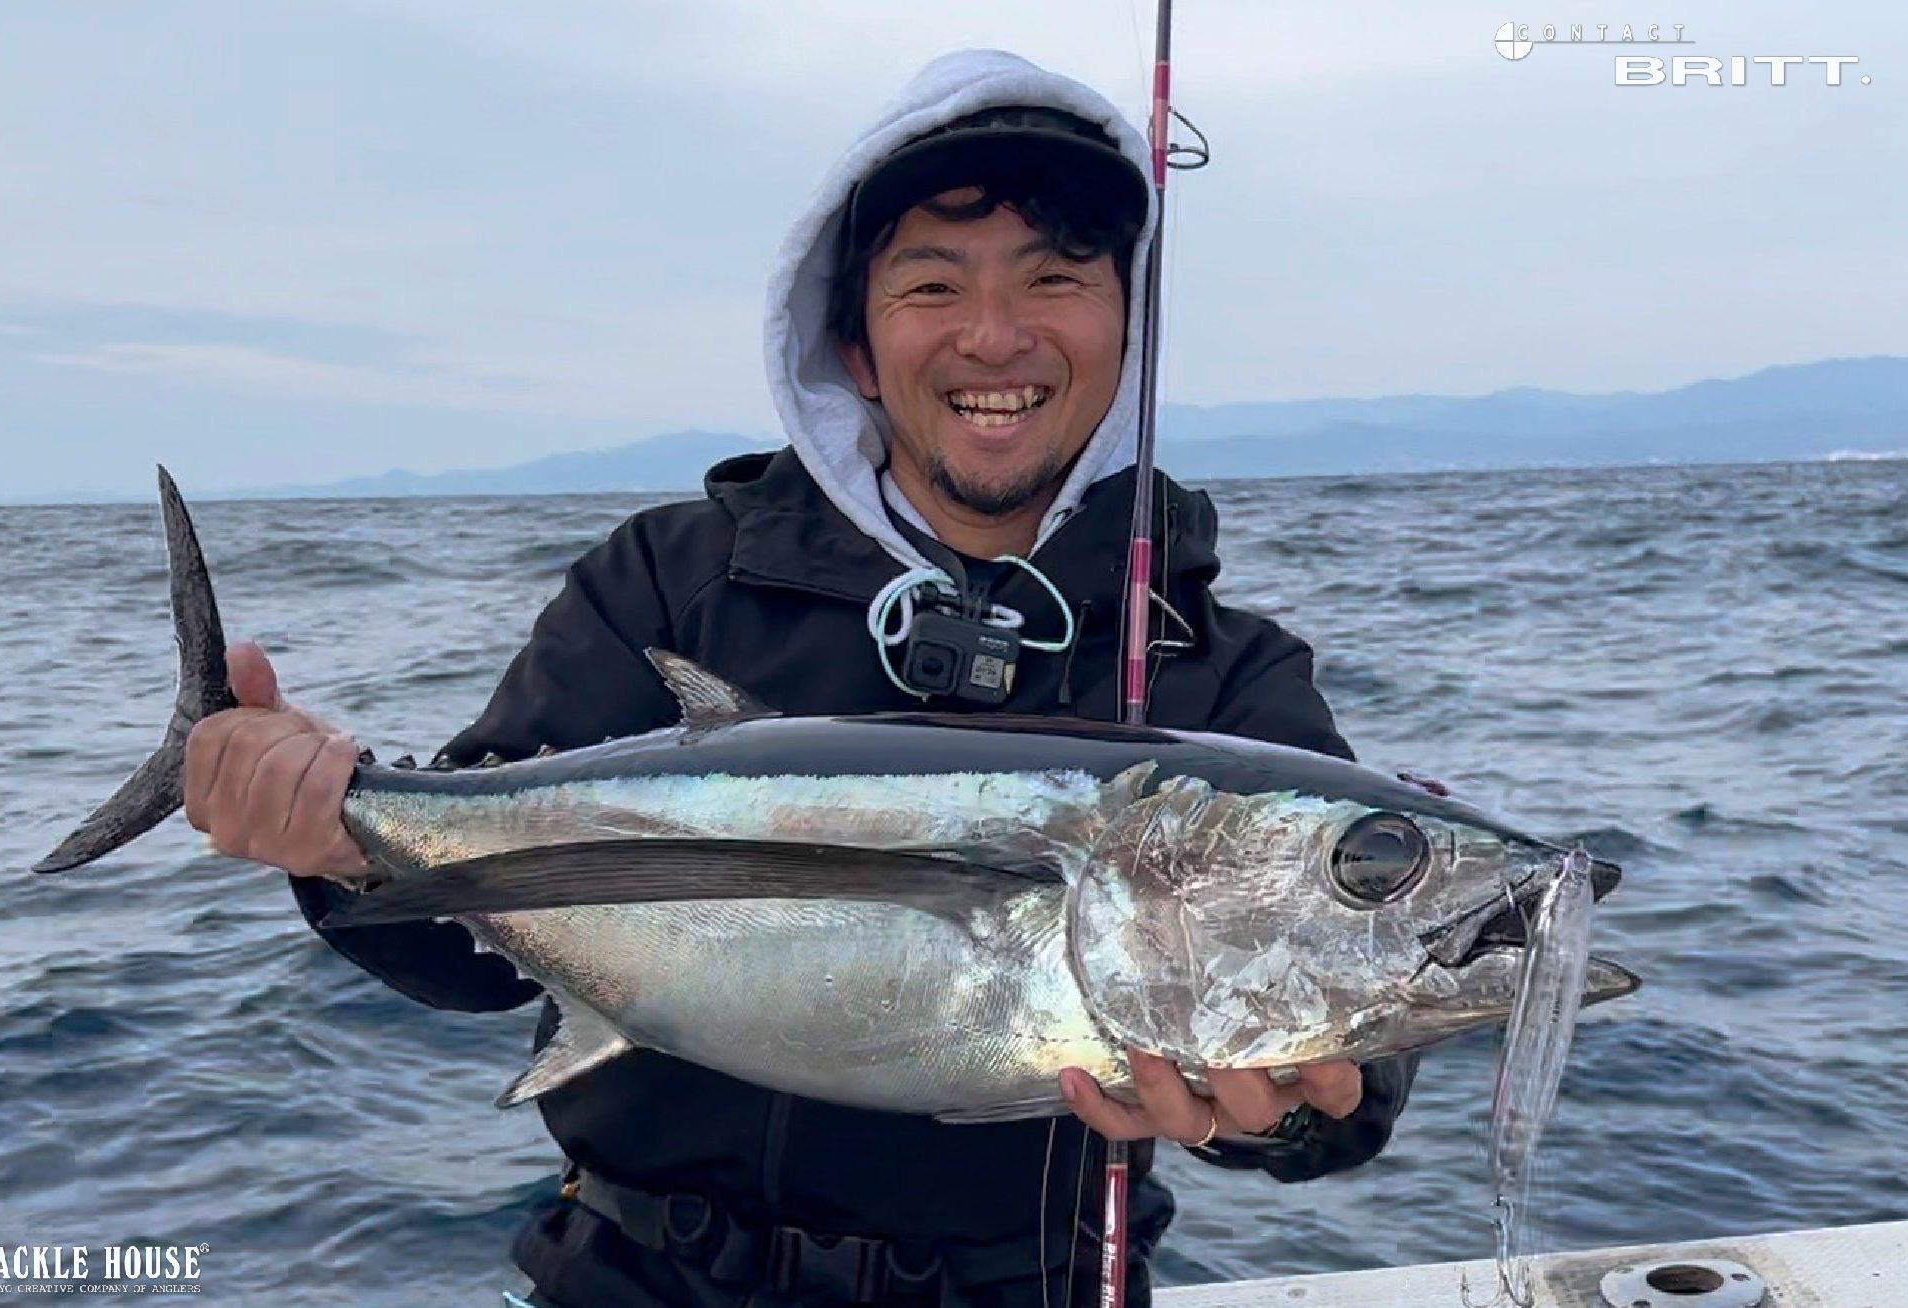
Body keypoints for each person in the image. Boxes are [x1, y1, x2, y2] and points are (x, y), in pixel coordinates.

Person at [183, 49, 1419, 1308]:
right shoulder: (672, 580)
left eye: (1054, 278)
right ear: (856, 347)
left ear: (1126, 324)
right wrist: (334, 841)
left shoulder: (1215, 672)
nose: (995, 336)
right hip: (631, 1280)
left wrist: (1291, 1111)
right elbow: (475, 958)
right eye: (934, 283)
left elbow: (1348, 1080)